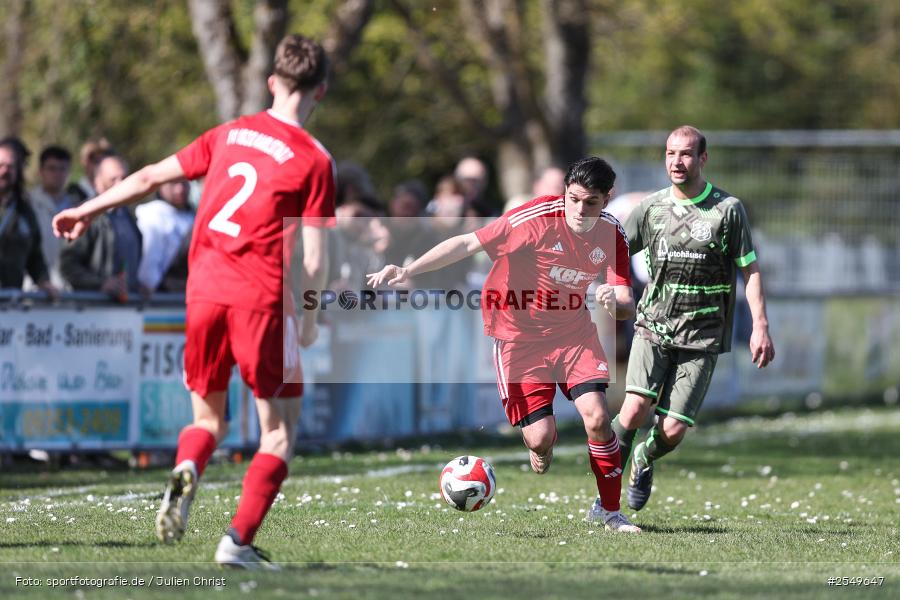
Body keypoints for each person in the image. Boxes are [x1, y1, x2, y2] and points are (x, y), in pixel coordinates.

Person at [53, 33, 336, 568]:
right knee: (278, 432)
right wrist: (311, 316)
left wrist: (86, 210)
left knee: (208, 422)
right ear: (320, 91)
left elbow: (147, 178)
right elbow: (317, 260)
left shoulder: (229, 134)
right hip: (261, 299)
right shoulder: (315, 161)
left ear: (273, 82)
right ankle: (237, 543)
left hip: (203, 292)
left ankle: (188, 469)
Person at [368, 157, 641, 533]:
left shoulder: (612, 235)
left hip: (573, 334)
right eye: (573, 199)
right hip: (518, 338)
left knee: (596, 417)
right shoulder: (535, 218)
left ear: (607, 199)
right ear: (564, 192)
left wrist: (617, 302)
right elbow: (467, 242)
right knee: (541, 437)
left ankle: (610, 512)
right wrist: (407, 271)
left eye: (590, 202)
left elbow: (626, 303)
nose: (579, 210)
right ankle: (538, 445)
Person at [612, 125, 775, 512]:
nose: (677, 162)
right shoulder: (651, 209)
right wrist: (608, 286)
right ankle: (606, 486)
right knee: (634, 408)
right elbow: (612, 250)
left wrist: (761, 326)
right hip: (653, 324)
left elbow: (750, 271)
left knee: (671, 430)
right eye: (670, 153)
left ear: (703, 158)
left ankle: (643, 459)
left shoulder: (727, 210)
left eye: (685, 154)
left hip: (702, 335)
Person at [59, 154, 143, 300]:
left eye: (124, 178)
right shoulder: (87, 216)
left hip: (127, 309)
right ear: (97, 182)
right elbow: (68, 265)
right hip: (92, 310)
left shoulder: (128, 216)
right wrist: (100, 284)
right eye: (113, 179)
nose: (120, 184)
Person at [0, 137, 56, 296]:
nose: (4, 171)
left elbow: (34, 256)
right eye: (0, 165)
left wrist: (44, 282)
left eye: (10, 166)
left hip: (9, 300)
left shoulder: (24, 211)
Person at [27, 145, 76, 290]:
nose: (57, 174)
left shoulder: (78, 206)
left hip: (70, 289)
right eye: (52, 168)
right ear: (41, 171)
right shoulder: (27, 204)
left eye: (62, 169)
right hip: (34, 289)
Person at [136, 178, 194, 293]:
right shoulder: (152, 214)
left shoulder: (192, 216)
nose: (180, 189)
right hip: (162, 295)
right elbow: (149, 259)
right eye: (173, 183)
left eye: (184, 183)